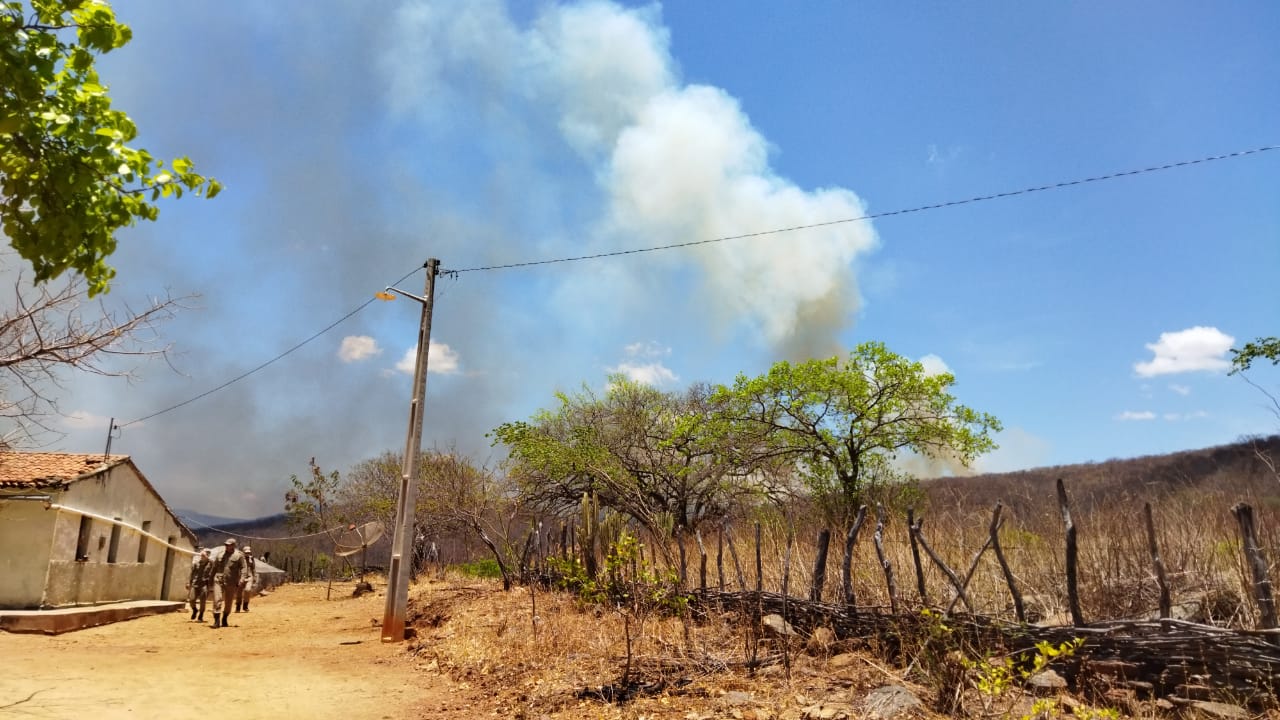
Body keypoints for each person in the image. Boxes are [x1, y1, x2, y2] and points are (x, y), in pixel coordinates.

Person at [208, 538, 250, 628]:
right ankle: (216, 620)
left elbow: (244, 568)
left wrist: (242, 579)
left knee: (228, 602)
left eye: (229, 545)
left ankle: (225, 617)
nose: (227, 546)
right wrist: (210, 579)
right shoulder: (220, 555)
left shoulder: (239, 556)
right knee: (217, 599)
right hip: (218, 579)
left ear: (233, 545)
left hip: (231, 581)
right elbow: (214, 568)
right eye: (226, 545)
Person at [186, 548, 212, 622]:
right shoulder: (196, 563)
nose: (202, 556)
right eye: (202, 555)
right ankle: (195, 610)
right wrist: (189, 583)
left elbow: (214, 572)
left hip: (204, 584)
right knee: (191, 599)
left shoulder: (211, 564)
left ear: (208, 556)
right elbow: (192, 574)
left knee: (202, 601)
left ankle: (201, 615)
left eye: (204, 555)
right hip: (195, 584)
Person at [237, 545, 257, 612]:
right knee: (239, 593)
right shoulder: (239, 558)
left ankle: (245, 605)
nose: (247, 554)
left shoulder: (251, 559)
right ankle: (238, 606)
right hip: (241, 577)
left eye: (248, 552)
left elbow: (253, 568)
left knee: (247, 590)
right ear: (243, 552)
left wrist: (254, 577)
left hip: (249, 576)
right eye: (246, 552)